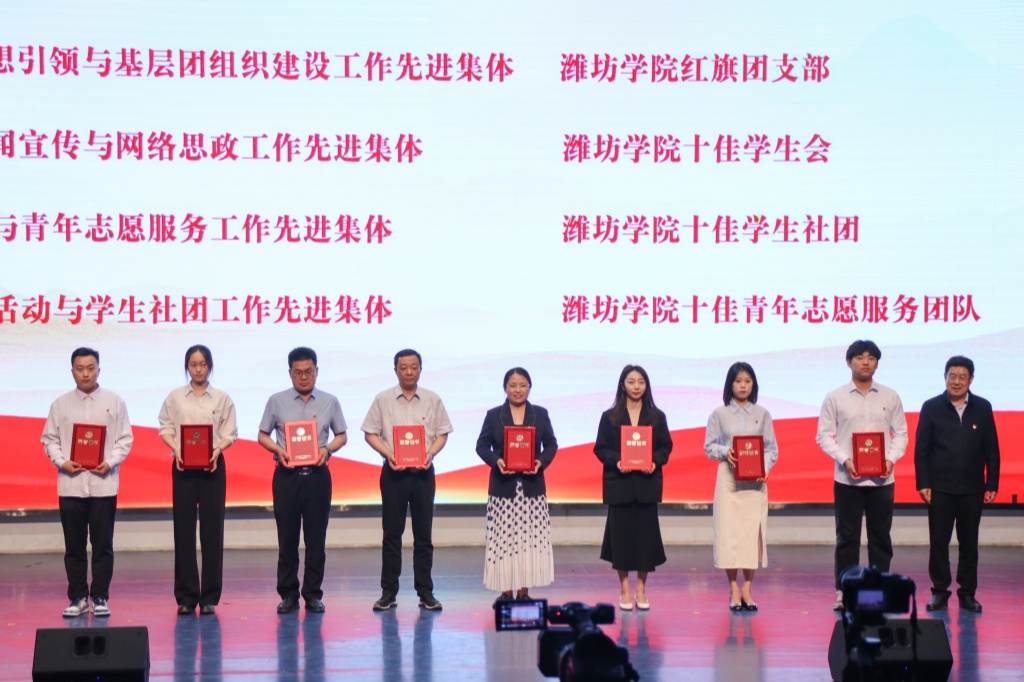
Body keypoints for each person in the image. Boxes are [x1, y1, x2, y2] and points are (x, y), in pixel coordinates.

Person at [41, 347, 133, 618]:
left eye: (90, 368)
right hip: (71, 485)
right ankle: (78, 597)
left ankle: (100, 596)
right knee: (74, 547)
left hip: (104, 485)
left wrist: (111, 462)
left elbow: (125, 439)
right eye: (80, 369)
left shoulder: (115, 402)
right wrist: (62, 462)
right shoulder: (60, 405)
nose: (85, 374)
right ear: (72, 371)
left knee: (103, 546)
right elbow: (50, 440)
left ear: (98, 370)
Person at [816, 340, 908, 611]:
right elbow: (823, 435)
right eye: (859, 357)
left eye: (871, 357)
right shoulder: (835, 397)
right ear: (849, 362)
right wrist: (845, 459)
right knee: (847, 539)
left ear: (877, 363)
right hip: (848, 480)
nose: (865, 362)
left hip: (882, 480)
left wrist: (890, 459)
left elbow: (901, 433)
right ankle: (844, 592)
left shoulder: (890, 396)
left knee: (881, 539)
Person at [258, 347, 348, 614]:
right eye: (298, 372)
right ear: (290, 373)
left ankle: (312, 594)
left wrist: (327, 449)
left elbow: (342, 435)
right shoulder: (276, 401)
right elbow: (262, 435)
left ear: (317, 371)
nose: (304, 377)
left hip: (318, 477)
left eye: (309, 371)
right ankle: (288, 594)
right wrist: (279, 450)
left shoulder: (330, 401)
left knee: (316, 539)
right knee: (287, 538)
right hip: (286, 476)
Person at [362, 349, 453, 611]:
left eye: (414, 367)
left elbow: (442, 433)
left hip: (423, 475)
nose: (409, 372)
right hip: (394, 475)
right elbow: (370, 433)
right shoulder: (383, 399)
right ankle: (388, 593)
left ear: (420, 369)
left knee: (424, 536)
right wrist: (388, 453)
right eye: (403, 368)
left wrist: (431, 453)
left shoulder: (433, 399)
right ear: (395, 371)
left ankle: (425, 593)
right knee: (392, 535)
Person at [915, 356, 1000, 613]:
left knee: (969, 543)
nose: (957, 381)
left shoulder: (982, 407)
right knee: (938, 543)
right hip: (940, 488)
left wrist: (992, 483)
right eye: (952, 376)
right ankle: (940, 592)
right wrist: (923, 483)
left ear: (971, 379)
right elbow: (922, 450)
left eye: (963, 377)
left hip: (973, 488)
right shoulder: (931, 407)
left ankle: (967, 593)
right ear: (945, 377)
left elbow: (992, 449)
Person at [158, 344, 238, 616]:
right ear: (187, 367)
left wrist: (217, 451)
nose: (198, 369)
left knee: (213, 531)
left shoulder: (222, 398)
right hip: (182, 466)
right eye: (193, 364)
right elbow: (165, 427)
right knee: (183, 530)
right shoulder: (176, 397)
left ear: (210, 366)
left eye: (203, 364)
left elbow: (230, 433)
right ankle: (186, 596)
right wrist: (177, 450)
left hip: (213, 467)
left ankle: (209, 598)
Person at [475, 367, 558, 603]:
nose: (518, 390)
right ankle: (505, 592)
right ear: (505, 388)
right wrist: (497, 461)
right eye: (513, 385)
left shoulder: (540, 414)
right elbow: (481, 446)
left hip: (532, 489)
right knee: (504, 542)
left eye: (523, 385)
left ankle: (523, 592)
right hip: (503, 489)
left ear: (529, 388)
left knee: (528, 542)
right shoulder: (494, 415)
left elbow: (551, 445)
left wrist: (540, 462)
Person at [593, 365, 673, 611]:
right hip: (620, 486)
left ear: (646, 386)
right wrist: (617, 461)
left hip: (646, 487)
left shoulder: (657, 417)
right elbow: (600, 448)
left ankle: (641, 590)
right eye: (631, 382)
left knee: (644, 542)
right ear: (622, 385)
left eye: (641, 382)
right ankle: (625, 590)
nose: (636, 386)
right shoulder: (609, 417)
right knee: (622, 542)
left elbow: (665, 447)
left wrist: (654, 461)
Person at [704, 362, 779, 612]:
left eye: (747, 381)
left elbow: (771, 449)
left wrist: (764, 469)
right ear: (730, 384)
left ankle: (747, 588)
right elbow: (709, 447)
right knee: (728, 534)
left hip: (755, 484)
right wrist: (726, 451)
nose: (743, 386)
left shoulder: (763, 414)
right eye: (738, 381)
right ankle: (733, 588)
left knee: (750, 534)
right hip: (728, 480)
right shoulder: (719, 414)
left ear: (753, 384)